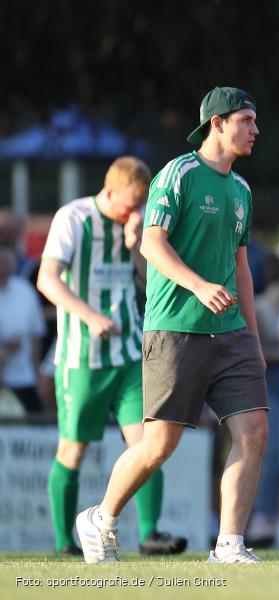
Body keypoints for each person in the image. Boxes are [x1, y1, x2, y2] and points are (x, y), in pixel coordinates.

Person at [75, 87, 268, 564]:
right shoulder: (178, 174)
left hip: (231, 333)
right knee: (159, 444)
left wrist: (255, 337)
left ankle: (229, 544)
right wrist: (200, 286)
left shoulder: (241, 190)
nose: (255, 130)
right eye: (246, 119)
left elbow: (240, 267)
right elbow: (152, 246)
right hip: (175, 328)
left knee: (255, 431)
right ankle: (101, 518)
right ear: (217, 124)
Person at [36, 157, 187, 558]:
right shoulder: (74, 218)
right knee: (73, 448)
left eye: (141, 204)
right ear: (110, 191)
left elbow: (147, 280)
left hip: (128, 356)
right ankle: (65, 542)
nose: (134, 211)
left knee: (150, 442)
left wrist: (138, 243)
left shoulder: (139, 226)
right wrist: (88, 315)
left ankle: (151, 533)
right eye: (130, 203)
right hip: (82, 356)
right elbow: (46, 278)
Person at [0, 244, 45, 414]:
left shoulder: (26, 291)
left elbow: (36, 338)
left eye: (6, 260)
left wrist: (37, 376)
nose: (2, 266)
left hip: (26, 380)